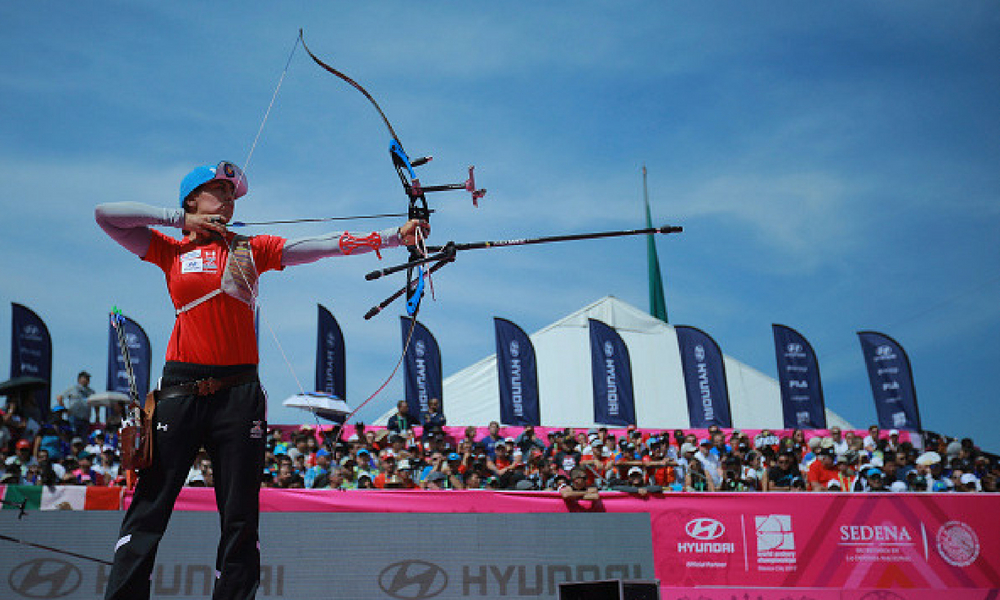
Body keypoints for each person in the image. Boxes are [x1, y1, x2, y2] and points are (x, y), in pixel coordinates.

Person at [95, 161, 427, 600]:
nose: (230, 199)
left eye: (233, 194)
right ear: (192, 198)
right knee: (150, 507)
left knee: (240, 518)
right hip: (180, 390)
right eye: (219, 191)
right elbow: (105, 215)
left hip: (238, 395)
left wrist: (391, 237)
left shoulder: (249, 247)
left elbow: (320, 245)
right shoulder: (170, 251)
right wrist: (180, 220)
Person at [56, 371, 94, 438]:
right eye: (85, 378)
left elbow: (96, 403)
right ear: (79, 379)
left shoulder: (91, 391)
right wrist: (65, 410)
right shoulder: (73, 388)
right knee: (73, 437)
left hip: (85, 419)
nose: (87, 380)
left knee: (83, 439)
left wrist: (97, 415)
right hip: (74, 417)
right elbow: (59, 397)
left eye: (88, 378)